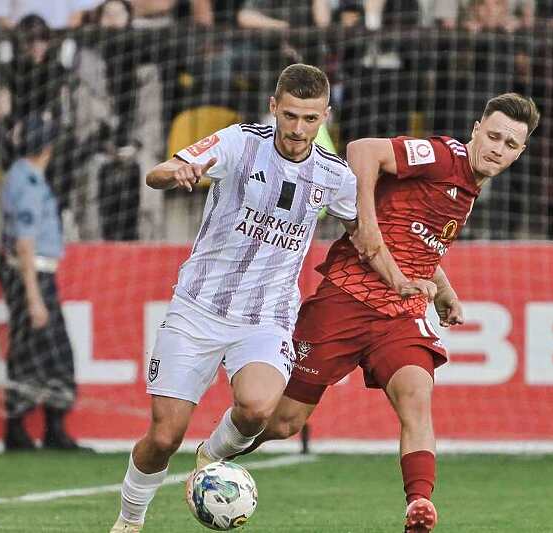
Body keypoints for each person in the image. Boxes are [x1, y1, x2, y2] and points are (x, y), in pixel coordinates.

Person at [109, 63, 434, 533]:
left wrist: (401, 281)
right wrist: (178, 171)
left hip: (266, 316)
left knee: (259, 408)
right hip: (197, 306)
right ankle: (129, 519)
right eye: (289, 116)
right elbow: (158, 174)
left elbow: (366, 238)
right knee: (163, 435)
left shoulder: (335, 175)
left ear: (325, 115)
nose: (298, 129)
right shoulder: (239, 142)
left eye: (309, 118)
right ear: (273, 108)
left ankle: (212, 457)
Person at [235, 93, 540, 533]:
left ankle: (420, 504)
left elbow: (419, 241)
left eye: (510, 145)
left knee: (417, 396)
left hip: (400, 311)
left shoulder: (469, 190)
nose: (498, 149)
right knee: (282, 422)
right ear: (476, 130)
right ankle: (216, 456)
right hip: (347, 296)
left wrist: (443, 290)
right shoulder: (440, 156)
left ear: (521, 151)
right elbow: (362, 150)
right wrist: (366, 225)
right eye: (493, 136)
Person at [0, 114, 87, 452]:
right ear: (48, 148)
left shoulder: (21, 176)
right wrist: (34, 297)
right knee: (50, 351)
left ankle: (30, 428)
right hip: (31, 273)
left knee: (33, 350)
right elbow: (24, 242)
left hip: (29, 272)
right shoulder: (28, 182)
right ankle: (41, 428)